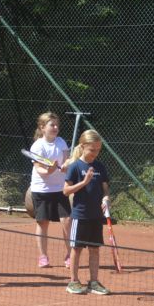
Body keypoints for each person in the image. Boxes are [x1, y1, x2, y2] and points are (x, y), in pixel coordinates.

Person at [61, 129, 111, 295]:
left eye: (98, 150)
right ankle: (73, 281)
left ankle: (94, 282)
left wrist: (105, 199)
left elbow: (105, 189)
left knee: (95, 249)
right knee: (76, 249)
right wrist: (84, 182)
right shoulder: (75, 167)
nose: (95, 153)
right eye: (92, 150)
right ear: (83, 147)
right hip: (80, 215)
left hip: (96, 216)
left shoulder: (100, 167)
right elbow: (66, 191)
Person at [28, 112, 72, 269]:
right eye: (51, 125)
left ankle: (69, 255)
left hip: (60, 189)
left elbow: (67, 158)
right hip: (42, 189)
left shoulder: (61, 142)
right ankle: (43, 256)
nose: (55, 127)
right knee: (43, 222)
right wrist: (51, 170)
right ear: (42, 127)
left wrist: (66, 165)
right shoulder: (37, 146)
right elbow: (40, 170)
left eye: (56, 125)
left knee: (67, 221)